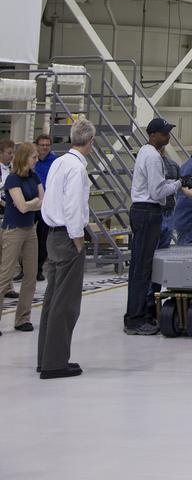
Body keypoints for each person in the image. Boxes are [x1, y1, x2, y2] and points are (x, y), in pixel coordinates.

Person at [124, 117, 192, 335]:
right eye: (164, 133)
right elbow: (157, 192)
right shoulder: (154, 158)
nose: (167, 137)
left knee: (141, 266)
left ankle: (137, 314)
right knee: (142, 268)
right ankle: (135, 319)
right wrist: (180, 183)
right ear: (153, 135)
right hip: (148, 212)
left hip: (142, 211)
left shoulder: (146, 153)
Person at [38, 118, 96, 379]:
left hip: (52, 235)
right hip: (67, 237)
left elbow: (51, 198)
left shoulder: (59, 162)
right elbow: (73, 206)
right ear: (90, 142)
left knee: (52, 300)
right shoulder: (77, 169)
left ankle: (46, 358)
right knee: (66, 303)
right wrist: (78, 239)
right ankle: (55, 364)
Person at [0, 143, 44, 336]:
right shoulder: (12, 179)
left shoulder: (35, 176)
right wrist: (34, 203)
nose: (36, 160)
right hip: (13, 230)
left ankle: (23, 318)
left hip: (30, 230)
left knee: (31, 275)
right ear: (25, 158)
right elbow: (22, 207)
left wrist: (33, 203)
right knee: (5, 276)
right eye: (33, 157)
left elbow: (44, 201)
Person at [33, 135, 58, 281]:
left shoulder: (54, 162)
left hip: (46, 204)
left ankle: (38, 269)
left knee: (42, 238)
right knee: (27, 238)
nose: (44, 147)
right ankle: (25, 269)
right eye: (42, 144)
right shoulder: (32, 160)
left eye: (47, 145)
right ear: (37, 145)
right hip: (31, 202)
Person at [0, 138, 18, 301]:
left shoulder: (13, 169)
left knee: (8, 254)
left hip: (9, 214)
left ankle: (8, 286)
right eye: (8, 153)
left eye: (13, 153)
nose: (11, 156)